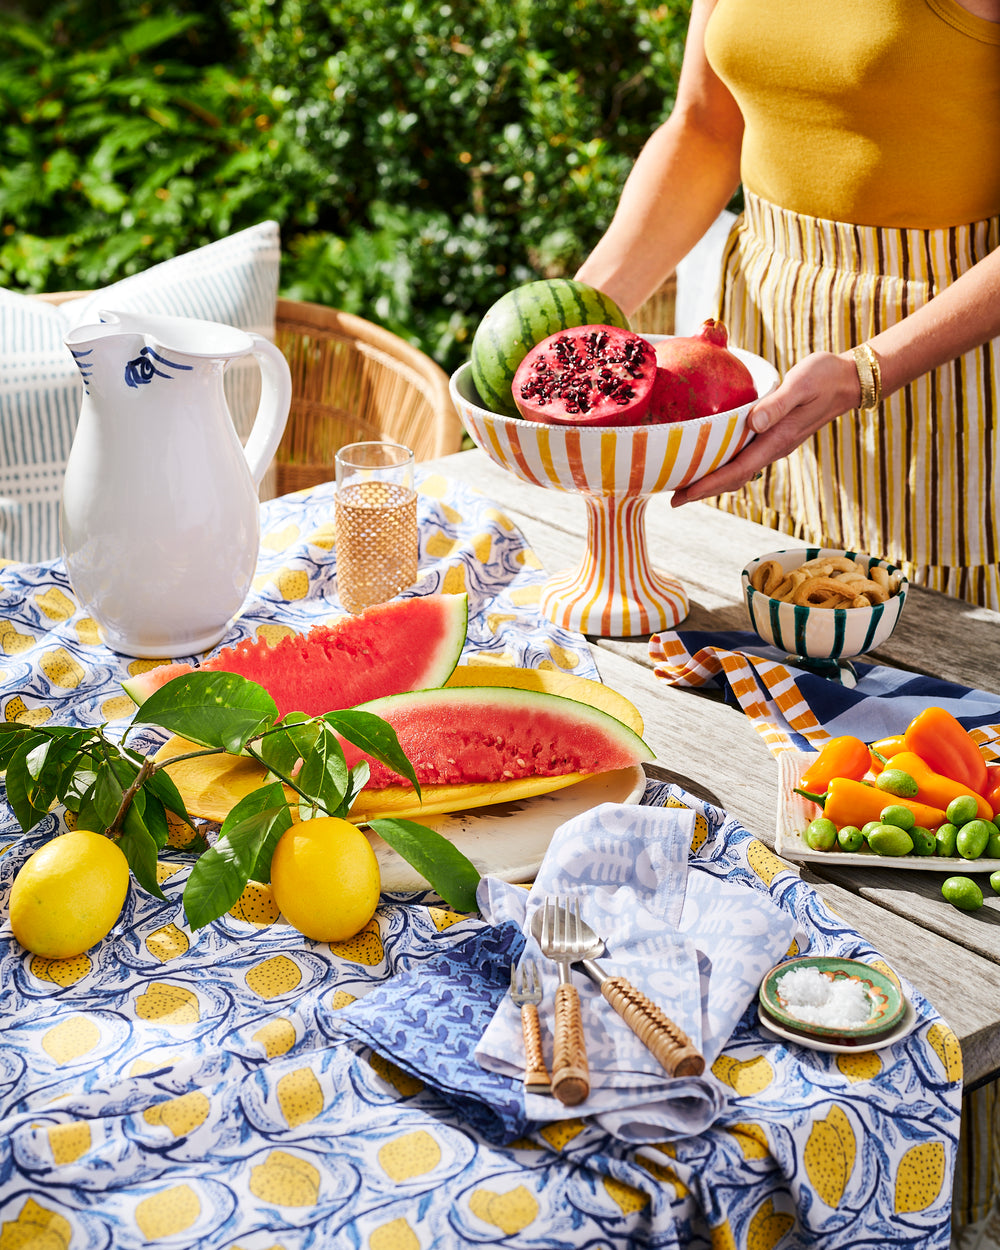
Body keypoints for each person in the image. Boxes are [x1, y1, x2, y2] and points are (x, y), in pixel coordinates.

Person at [575, 0, 1000, 613]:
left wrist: (866, 372)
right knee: (752, 639)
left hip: (942, 371)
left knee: (939, 671)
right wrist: (586, 314)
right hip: (761, 345)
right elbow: (705, 129)